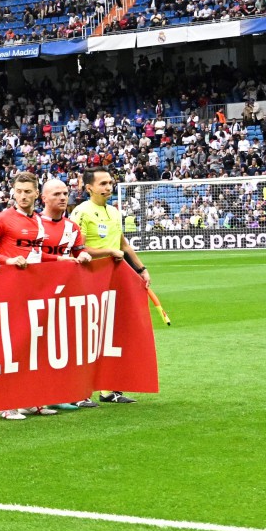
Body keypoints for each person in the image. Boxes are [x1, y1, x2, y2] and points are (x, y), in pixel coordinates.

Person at [71, 168, 149, 406]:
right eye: (103, 183)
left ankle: (109, 390)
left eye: (110, 183)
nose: (108, 187)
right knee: (87, 335)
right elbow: (77, 248)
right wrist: (107, 251)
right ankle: (79, 392)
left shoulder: (114, 211)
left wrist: (141, 268)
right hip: (88, 279)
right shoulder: (81, 212)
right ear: (89, 188)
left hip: (113, 280)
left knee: (111, 334)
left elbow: (123, 243)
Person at [0, 171, 49, 420]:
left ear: (37, 193)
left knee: (31, 345)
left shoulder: (39, 221)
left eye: (28, 191)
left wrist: (64, 260)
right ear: (13, 192)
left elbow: (38, 255)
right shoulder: (3, 218)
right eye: (18, 191)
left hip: (32, 290)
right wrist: (7, 260)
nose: (23, 196)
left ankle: (29, 400)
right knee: (9, 346)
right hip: (9, 290)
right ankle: (5, 404)